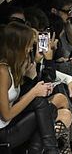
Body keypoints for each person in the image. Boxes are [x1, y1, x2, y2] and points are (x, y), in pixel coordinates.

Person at [0, 22, 60, 154]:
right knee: (45, 107)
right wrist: (33, 92)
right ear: (17, 46)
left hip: (9, 124)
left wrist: (36, 63)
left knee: (45, 105)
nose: (29, 49)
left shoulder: (12, 68)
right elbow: (6, 115)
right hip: (3, 133)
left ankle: (49, 150)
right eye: (28, 45)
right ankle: (50, 150)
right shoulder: (2, 71)